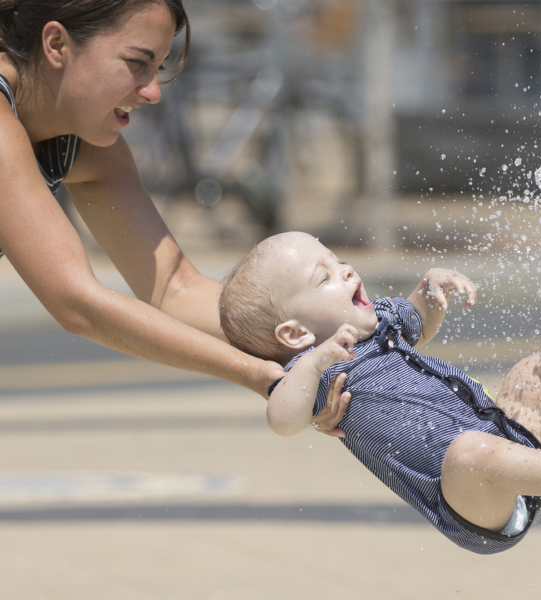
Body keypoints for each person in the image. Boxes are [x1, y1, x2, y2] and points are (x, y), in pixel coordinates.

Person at [0, 0, 347, 431]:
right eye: (136, 63)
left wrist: (337, 338)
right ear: (56, 44)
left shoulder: (85, 144)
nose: (153, 91)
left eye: (158, 67)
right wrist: (262, 375)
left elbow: (173, 287)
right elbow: (76, 303)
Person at [219, 232, 541, 554]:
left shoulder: (378, 318)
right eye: (323, 277)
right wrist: (314, 362)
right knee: (470, 451)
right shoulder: (315, 371)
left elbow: (419, 321)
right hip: (472, 504)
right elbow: (283, 420)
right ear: (296, 333)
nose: (345, 271)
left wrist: (429, 291)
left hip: (514, 448)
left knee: (532, 372)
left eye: (337, 260)